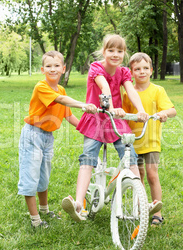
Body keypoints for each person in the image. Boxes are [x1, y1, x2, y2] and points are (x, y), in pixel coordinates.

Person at [61, 34, 162, 222]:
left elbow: (130, 90)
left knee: (131, 157)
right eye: (111, 50)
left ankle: (142, 204)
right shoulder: (96, 67)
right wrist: (111, 107)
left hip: (115, 120)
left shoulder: (124, 72)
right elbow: (104, 85)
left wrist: (141, 111)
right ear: (104, 51)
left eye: (120, 51)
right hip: (97, 118)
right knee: (88, 159)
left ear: (124, 53)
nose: (115, 54)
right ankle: (78, 203)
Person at [18, 51, 97, 228]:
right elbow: (61, 100)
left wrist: (88, 131)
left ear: (63, 69)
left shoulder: (61, 89)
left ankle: (45, 210)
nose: (52, 69)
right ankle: (35, 220)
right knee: (31, 176)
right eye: (48, 66)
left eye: (56, 66)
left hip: (47, 137)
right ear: (42, 69)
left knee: (43, 175)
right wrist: (83, 104)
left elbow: (68, 115)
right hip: (33, 135)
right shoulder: (41, 87)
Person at [122, 52, 177, 226]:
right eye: (137, 69)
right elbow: (124, 115)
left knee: (152, 175)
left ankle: (157, 212)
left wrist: (163, 113)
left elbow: (172, 110)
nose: (142, 72)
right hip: (134, 142)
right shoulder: (128, 93)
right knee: (139, 177)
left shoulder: (157, 90)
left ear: (151, 70)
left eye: (145, 68)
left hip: (151, 141)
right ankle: (142, 207)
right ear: (131, 73)